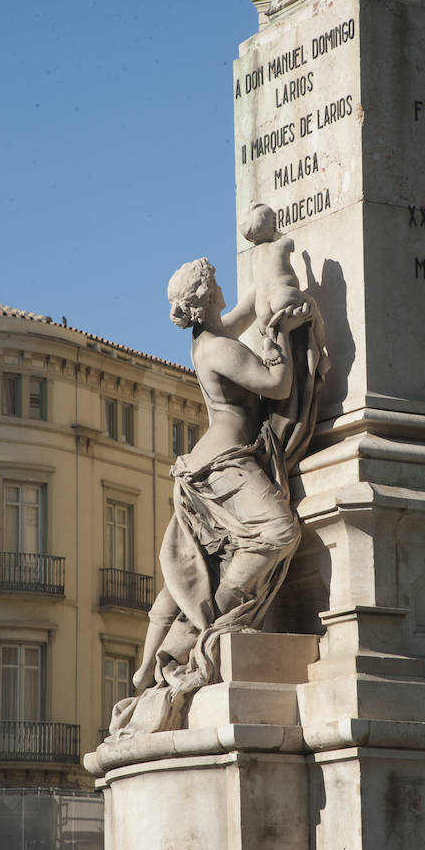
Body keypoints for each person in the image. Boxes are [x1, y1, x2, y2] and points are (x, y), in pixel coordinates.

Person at [108, 258, 310, 736]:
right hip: (225, 467)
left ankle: (145, 668)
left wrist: (271, 274)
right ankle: (210, 623)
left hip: (209, 463)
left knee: (200, 557)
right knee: (278, 530)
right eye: (214, 282)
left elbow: (244, 310)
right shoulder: (218, 349)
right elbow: (277, 385)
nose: (222, 286)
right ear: (204, 297)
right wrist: (281, 337)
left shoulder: (211, 337)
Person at [228, 202, 316, 364]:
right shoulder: (281, 245)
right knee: (313, 308)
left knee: (267, 333)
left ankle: (267, 342)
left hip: (262, 306)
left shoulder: (253, 255)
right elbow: (291, 244)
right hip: (283, 294)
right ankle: (323, 357)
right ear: (273, 225)